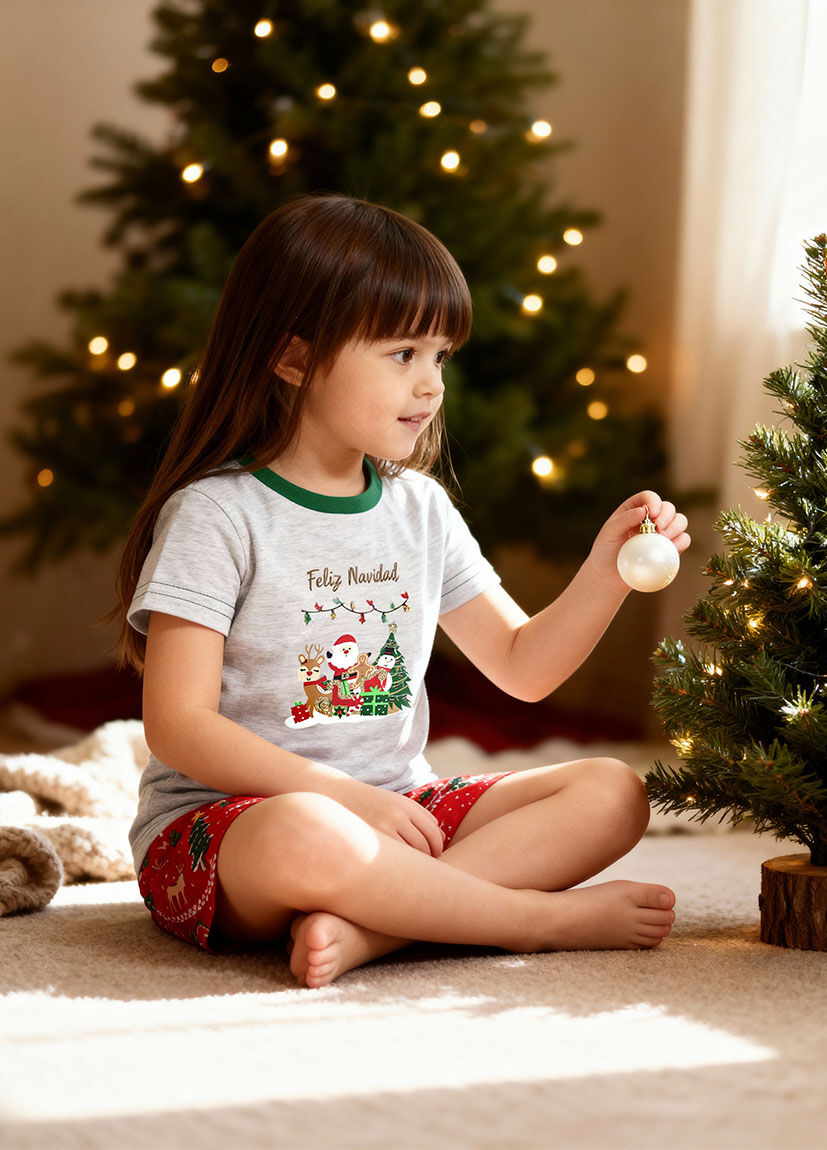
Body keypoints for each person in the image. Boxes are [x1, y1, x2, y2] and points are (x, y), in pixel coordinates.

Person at [114, 194, 690, 988]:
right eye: (401, 354)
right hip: (233, 833)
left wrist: (603, 571)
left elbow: (524, 668)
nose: (430, 387)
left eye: (440, 357)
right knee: (307, 831)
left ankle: (373, 930)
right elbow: (177, 726)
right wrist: (346, 799)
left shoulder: (419, 508)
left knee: (613, 791)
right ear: (293, 359)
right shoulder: (217, 514)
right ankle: (533, 922)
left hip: (397, 815)